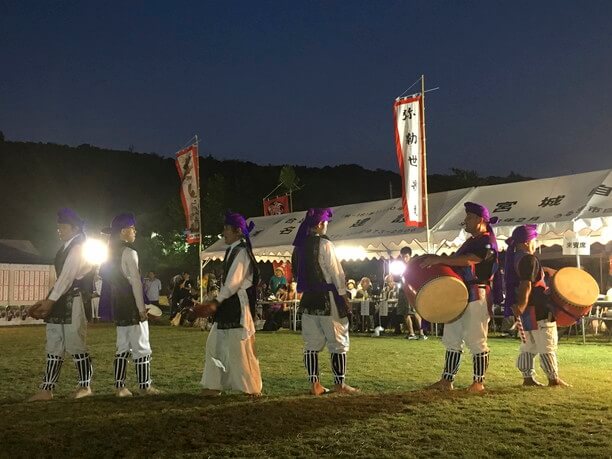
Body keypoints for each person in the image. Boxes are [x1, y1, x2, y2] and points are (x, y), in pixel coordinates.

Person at [420, 202, 500, 393]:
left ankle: (478, 382)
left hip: (477, 293)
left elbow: (470, 260)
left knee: (476, 339)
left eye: (469, 217)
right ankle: (447, 380)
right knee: (452, 337)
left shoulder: (486, 241)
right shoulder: (473, 240)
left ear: (481, 220)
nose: (465, 221)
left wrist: (440, 259)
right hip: (459, 293)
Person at [28, 208, 94, 401]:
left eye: (63, 227)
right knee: (54, 344)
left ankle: (85, 386)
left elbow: (66, 278)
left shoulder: (78, 248)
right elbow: (62, 280)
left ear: (75, 229)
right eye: (58, 227)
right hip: (59, 300)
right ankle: (47, 389)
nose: (59, 230)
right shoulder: (66, 248)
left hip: (73, 301)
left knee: (76, 344)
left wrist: (49, 301)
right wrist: (49, 299)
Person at [292, 207, 358, 395]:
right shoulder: (325, 244)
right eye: (326, 223)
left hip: (308, 301)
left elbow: (296, 274)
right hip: (327, 299)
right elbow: (337, 273)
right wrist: (344, 297)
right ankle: (339, 384)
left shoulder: (299, 247)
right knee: (338, 342)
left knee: (311, 345)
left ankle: (315, 385)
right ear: (320, 224)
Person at [195, 212, 262, 396]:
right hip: (228, 303)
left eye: (226, 229)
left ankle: (250, 388)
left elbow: (233, 282)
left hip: (236, 305)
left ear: (238, 231)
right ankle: (213, 385)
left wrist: (215, 302)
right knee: (215, 344)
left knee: (238, 348)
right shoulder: (233, 250)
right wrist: (216, 302)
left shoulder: (241, 252)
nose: (223, 232)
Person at [100, 213, 160, 397]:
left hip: (118, 305)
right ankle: (144, 386)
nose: (135, 231)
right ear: (123, 231)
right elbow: (136, 283)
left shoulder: (110, 254)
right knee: (142, 346)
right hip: (132, 305)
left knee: (122, 347)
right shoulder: (129, 252)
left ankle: (120, 387)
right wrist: (141, 309)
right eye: (132, 228)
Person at [504, 225, 570, 387]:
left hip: (527, 312)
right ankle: (553, 379)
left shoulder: (515, 258)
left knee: (528, 345)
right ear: (527, 242)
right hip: (538, 309)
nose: (536, 243)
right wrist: (522, 304)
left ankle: (528, 377)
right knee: (547, 343)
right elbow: (526, 284)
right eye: (534, 240)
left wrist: (521, 306)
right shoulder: (529, 259)